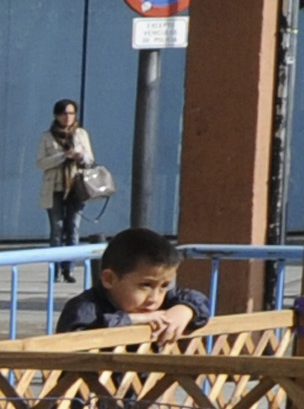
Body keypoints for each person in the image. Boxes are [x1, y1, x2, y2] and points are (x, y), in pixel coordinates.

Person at [56, 228, 211, 345]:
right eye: (145, 285)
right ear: (109, 279)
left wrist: (184, 310)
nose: (154, 298)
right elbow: (78, 339)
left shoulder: (161, 305)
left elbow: (198, 299)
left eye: (164, 286)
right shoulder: (84, 307)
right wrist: (132, 319)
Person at [38, 99, 98, 281]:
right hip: (55, 187)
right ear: (57, 115)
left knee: (73, 227)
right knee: (57, 229)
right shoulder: (47, 137)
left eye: (71, 113)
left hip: (76, 186)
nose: (68, 117)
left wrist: (81, 157)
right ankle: (54, 270)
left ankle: (69, 269)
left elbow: (90, 160)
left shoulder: (81, 134)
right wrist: (62, 156)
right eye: (64, 113)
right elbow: (40, 163)